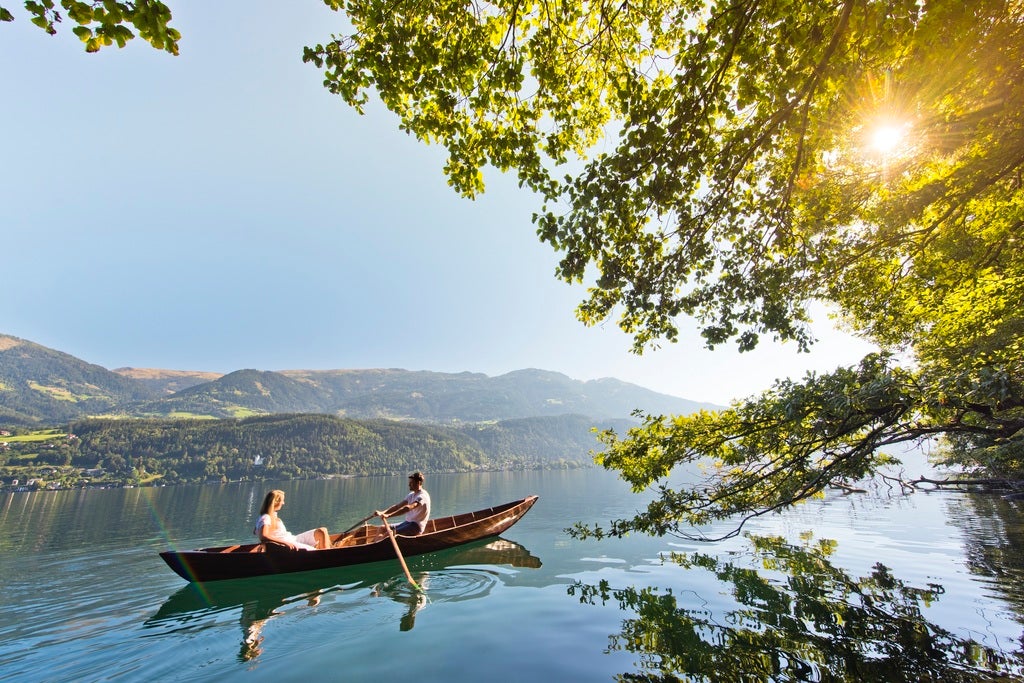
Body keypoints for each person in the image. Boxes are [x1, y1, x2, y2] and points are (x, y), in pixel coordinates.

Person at [253, 489, 330, 550]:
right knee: (314, 550)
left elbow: (255, 531)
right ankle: (326, 556)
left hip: (293, 538)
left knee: (322, 531)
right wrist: (285, 543)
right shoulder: (266, 517)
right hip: (287, 543)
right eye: (282, 501)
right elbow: (263, 536)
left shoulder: (270, 515)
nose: (283, 503)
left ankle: (326, 551)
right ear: (275, 502)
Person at [376, 471, 431, 536]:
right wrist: (382, 513)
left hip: (416, 527)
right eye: (409, 483)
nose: (409, 485)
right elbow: (397, 507)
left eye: (411, 483)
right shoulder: (411, 495)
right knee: (382, 528)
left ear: (418, 483)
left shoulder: (422, 496)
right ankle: (375, 544)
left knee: (388, 534)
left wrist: (389, 515)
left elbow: (408, 508)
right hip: (407, 523)